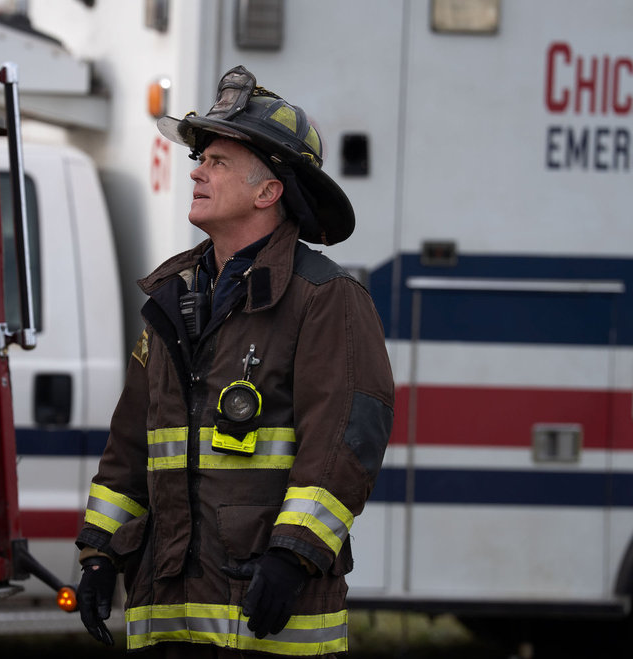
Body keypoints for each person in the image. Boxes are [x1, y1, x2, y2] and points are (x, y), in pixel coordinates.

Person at [75, 65, 394, 658]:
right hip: (169, 617)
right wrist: (99, 554)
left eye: (217, 161)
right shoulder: (175, 300)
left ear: (267, 190)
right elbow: (131, 445)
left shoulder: (325, 301)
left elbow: (346, 441)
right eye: (201, 159)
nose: (196, 171)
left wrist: (292, 556)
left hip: (267, 621)